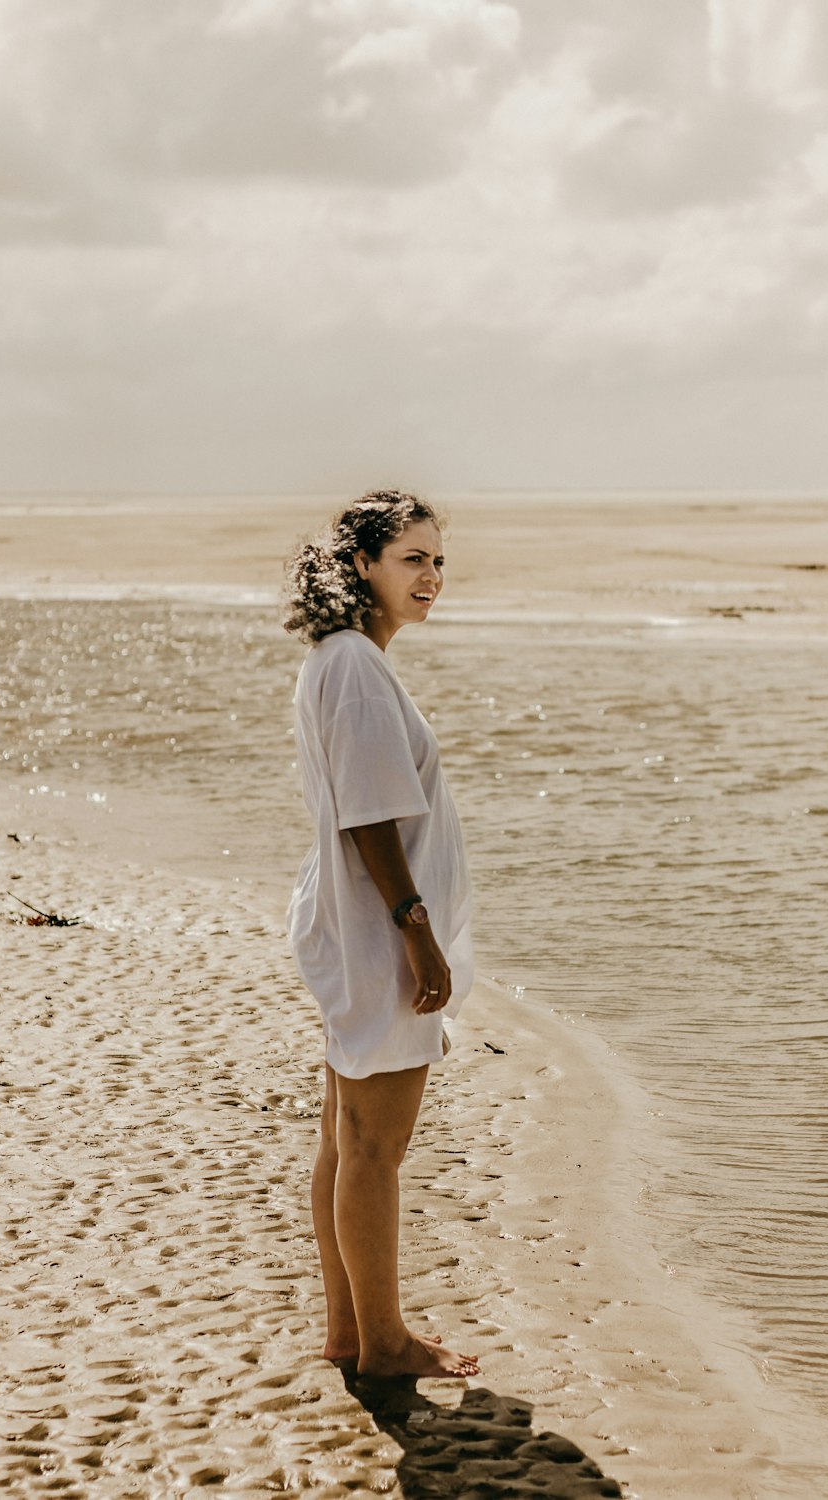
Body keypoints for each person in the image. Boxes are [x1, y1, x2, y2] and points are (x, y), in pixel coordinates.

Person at [282, 489, 478, 1379]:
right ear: (360, 564)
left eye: (438, 559)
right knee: (373, 1145)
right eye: (413, 558)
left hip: (355, 928)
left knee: (344, 1136)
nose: (432, 576)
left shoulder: (340, 657)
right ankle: (386, 1342)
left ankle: (349, 1333)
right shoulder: (356, 664)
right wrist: (418, 932)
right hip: (376, 934)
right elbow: (371, 819)